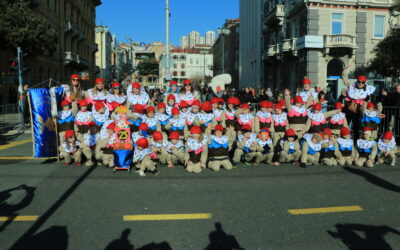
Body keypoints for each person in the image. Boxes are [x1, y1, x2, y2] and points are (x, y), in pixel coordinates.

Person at [342, 66, 376, 141]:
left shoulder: (367, 91)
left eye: (362, 82)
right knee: (345, 127)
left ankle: (355, 144)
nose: (360, 83)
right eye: (359, 81)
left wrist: (373, 111)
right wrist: (344, 71)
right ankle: (344, 143)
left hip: (357, 112)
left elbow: (368, 104)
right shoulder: (352, 86)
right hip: (348, 110)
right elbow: (345, 80)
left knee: (356, 129)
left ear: (364, 82)